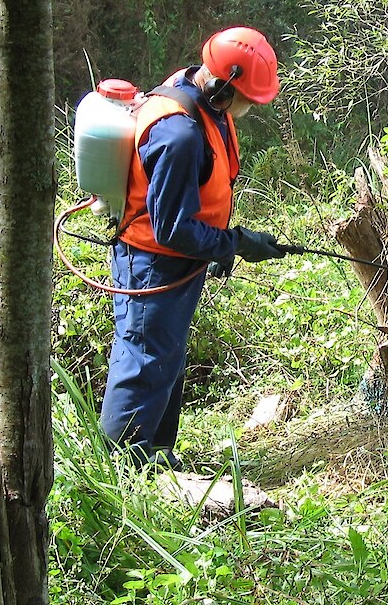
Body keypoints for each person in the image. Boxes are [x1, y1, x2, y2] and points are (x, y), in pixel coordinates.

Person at [99, 26, 287, 471]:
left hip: (178, 263)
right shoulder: (180, 136)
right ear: (224, 88)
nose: (250, 109)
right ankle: (119, 473)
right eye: (249, 99)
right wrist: (232, 244)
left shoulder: (202, 98)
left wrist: (216, 249)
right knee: (144, 360)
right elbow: (170, 230)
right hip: (152, 265)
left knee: (165, 357)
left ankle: (155, 456)